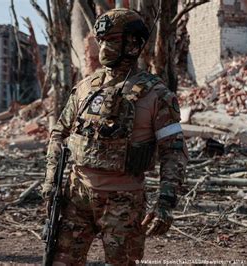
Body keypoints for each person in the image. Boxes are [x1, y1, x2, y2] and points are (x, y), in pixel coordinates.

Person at [42, 8, 188, 265]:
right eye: (102, 40)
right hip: (77, 196)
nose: (103, 47)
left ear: (133, 44)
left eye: (111, 40)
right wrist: (51, 184)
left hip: (124, 202)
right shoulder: (86, 87)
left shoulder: (157, 95)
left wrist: (165, 203)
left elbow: (173, 151)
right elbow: (58, 135)